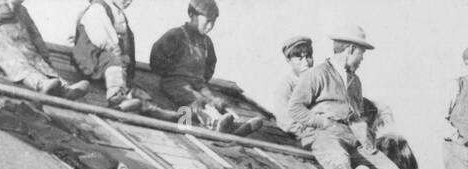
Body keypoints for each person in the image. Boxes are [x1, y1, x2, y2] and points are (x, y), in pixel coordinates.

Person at [287, 26, 405, 169]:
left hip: (353, 137)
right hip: (325, 135)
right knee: (340, 164)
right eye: (362, 53)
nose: (362, 59)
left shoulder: (355, 81)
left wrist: (365, 135)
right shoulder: (316, 74)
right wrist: (322, 123)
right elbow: (294, 108)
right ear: (350, 49)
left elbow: (357, 114)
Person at [149, 0, 263, 135]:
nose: (210, 26)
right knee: (196, 99)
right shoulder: (176, 35)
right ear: (192, 15)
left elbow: (210, 64)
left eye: (213, 23)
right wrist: (170, 72)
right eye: (207, 21)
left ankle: (234, 122)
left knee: (215, 99)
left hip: (198, 82)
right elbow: (157, 57)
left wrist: (202, 79)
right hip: (176, 81)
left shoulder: (206, 42)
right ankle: (213, 121)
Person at [0, 0, 90, 100]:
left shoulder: (20, 10)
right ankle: (41, 84)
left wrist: (44, 55)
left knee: (40, 64)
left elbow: (34, 33)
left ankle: (64, 88)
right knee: (18, 65)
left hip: (22, 47)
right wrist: (12, 4)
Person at [73, 0, 174, 117]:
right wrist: (111, 46)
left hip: (112, 61)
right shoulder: (98, 8)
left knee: (132, 84)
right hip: (93, 57)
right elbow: (99, 35)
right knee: (115, 63)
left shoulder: (119, 14)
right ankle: (116, 96)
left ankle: (149, 107)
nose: (128, 1)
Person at [272, 36, 313, 134]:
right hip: (300, 138)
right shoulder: (285, 87)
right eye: (299, 58)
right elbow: (288, 124)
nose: (306, 62)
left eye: (308, 57)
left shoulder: (318, 81)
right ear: (288, 60)